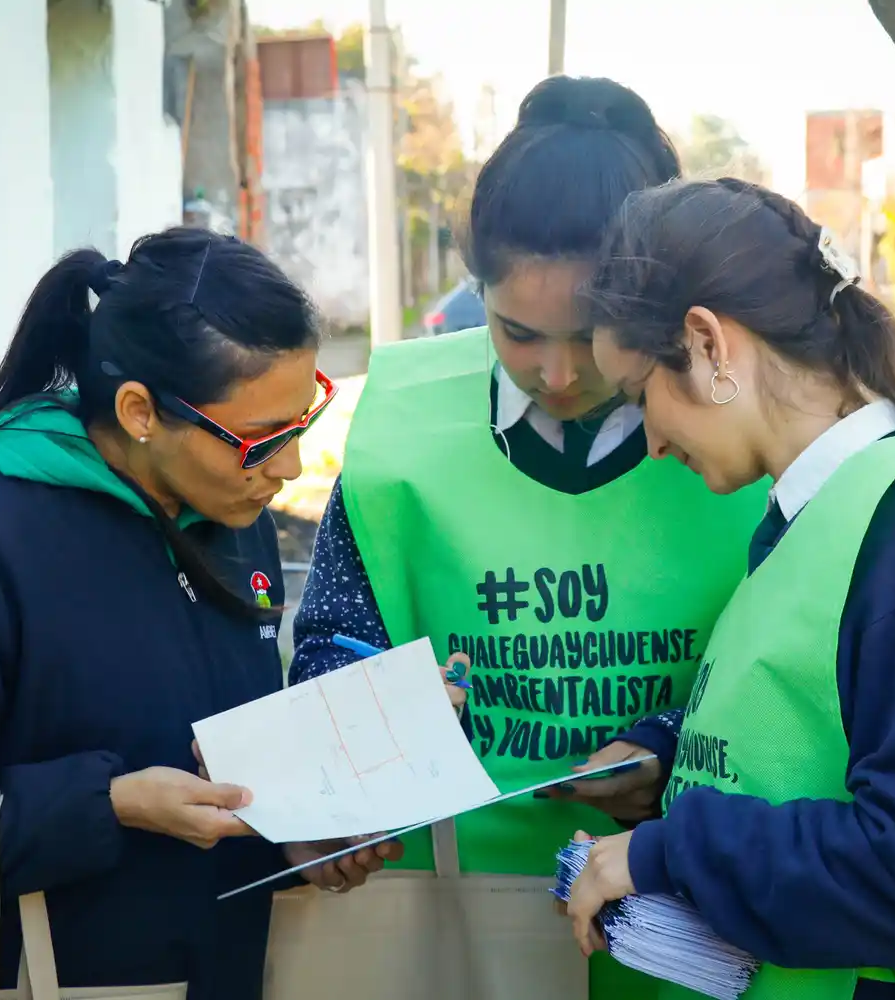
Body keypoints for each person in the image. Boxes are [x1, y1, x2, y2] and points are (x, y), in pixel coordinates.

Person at [0, 228, 398, 1000]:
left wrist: (288, 835)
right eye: (258, 441)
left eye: (302, 426)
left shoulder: (231, 516)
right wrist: (109, 805)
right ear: (139, 411)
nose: (287, 471)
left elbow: (201, 772)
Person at [562, 178, 895, 1000]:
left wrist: (671, 854)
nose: (650, 444)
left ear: (708, 343)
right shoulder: (834, 519)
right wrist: (670, 762)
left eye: (642, 396)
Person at [287, 77, 767, 999]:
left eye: (592, 337)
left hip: (683, 917)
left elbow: (793, 675)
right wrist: (368, 715)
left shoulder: (747, 441)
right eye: (516, 332)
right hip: (449, 913)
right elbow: (332, 648)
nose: (556, 373)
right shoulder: (402, 436)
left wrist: (667, 745)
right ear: (478, 289)